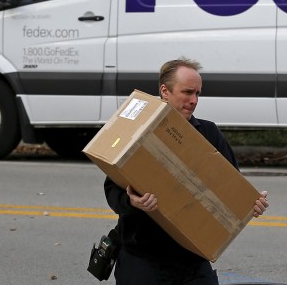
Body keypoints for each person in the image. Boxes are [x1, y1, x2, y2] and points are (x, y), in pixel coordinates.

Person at [104, 57, 269, 285]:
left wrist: (251, 203)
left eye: (198, 94)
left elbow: (233, 185)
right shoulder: (137, 132)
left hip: (193, 261)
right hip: (144, 260)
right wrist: (132, 202)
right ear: (165, 91)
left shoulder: (209, 133)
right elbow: (112, 190)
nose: (194, 100)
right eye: (187, 92)